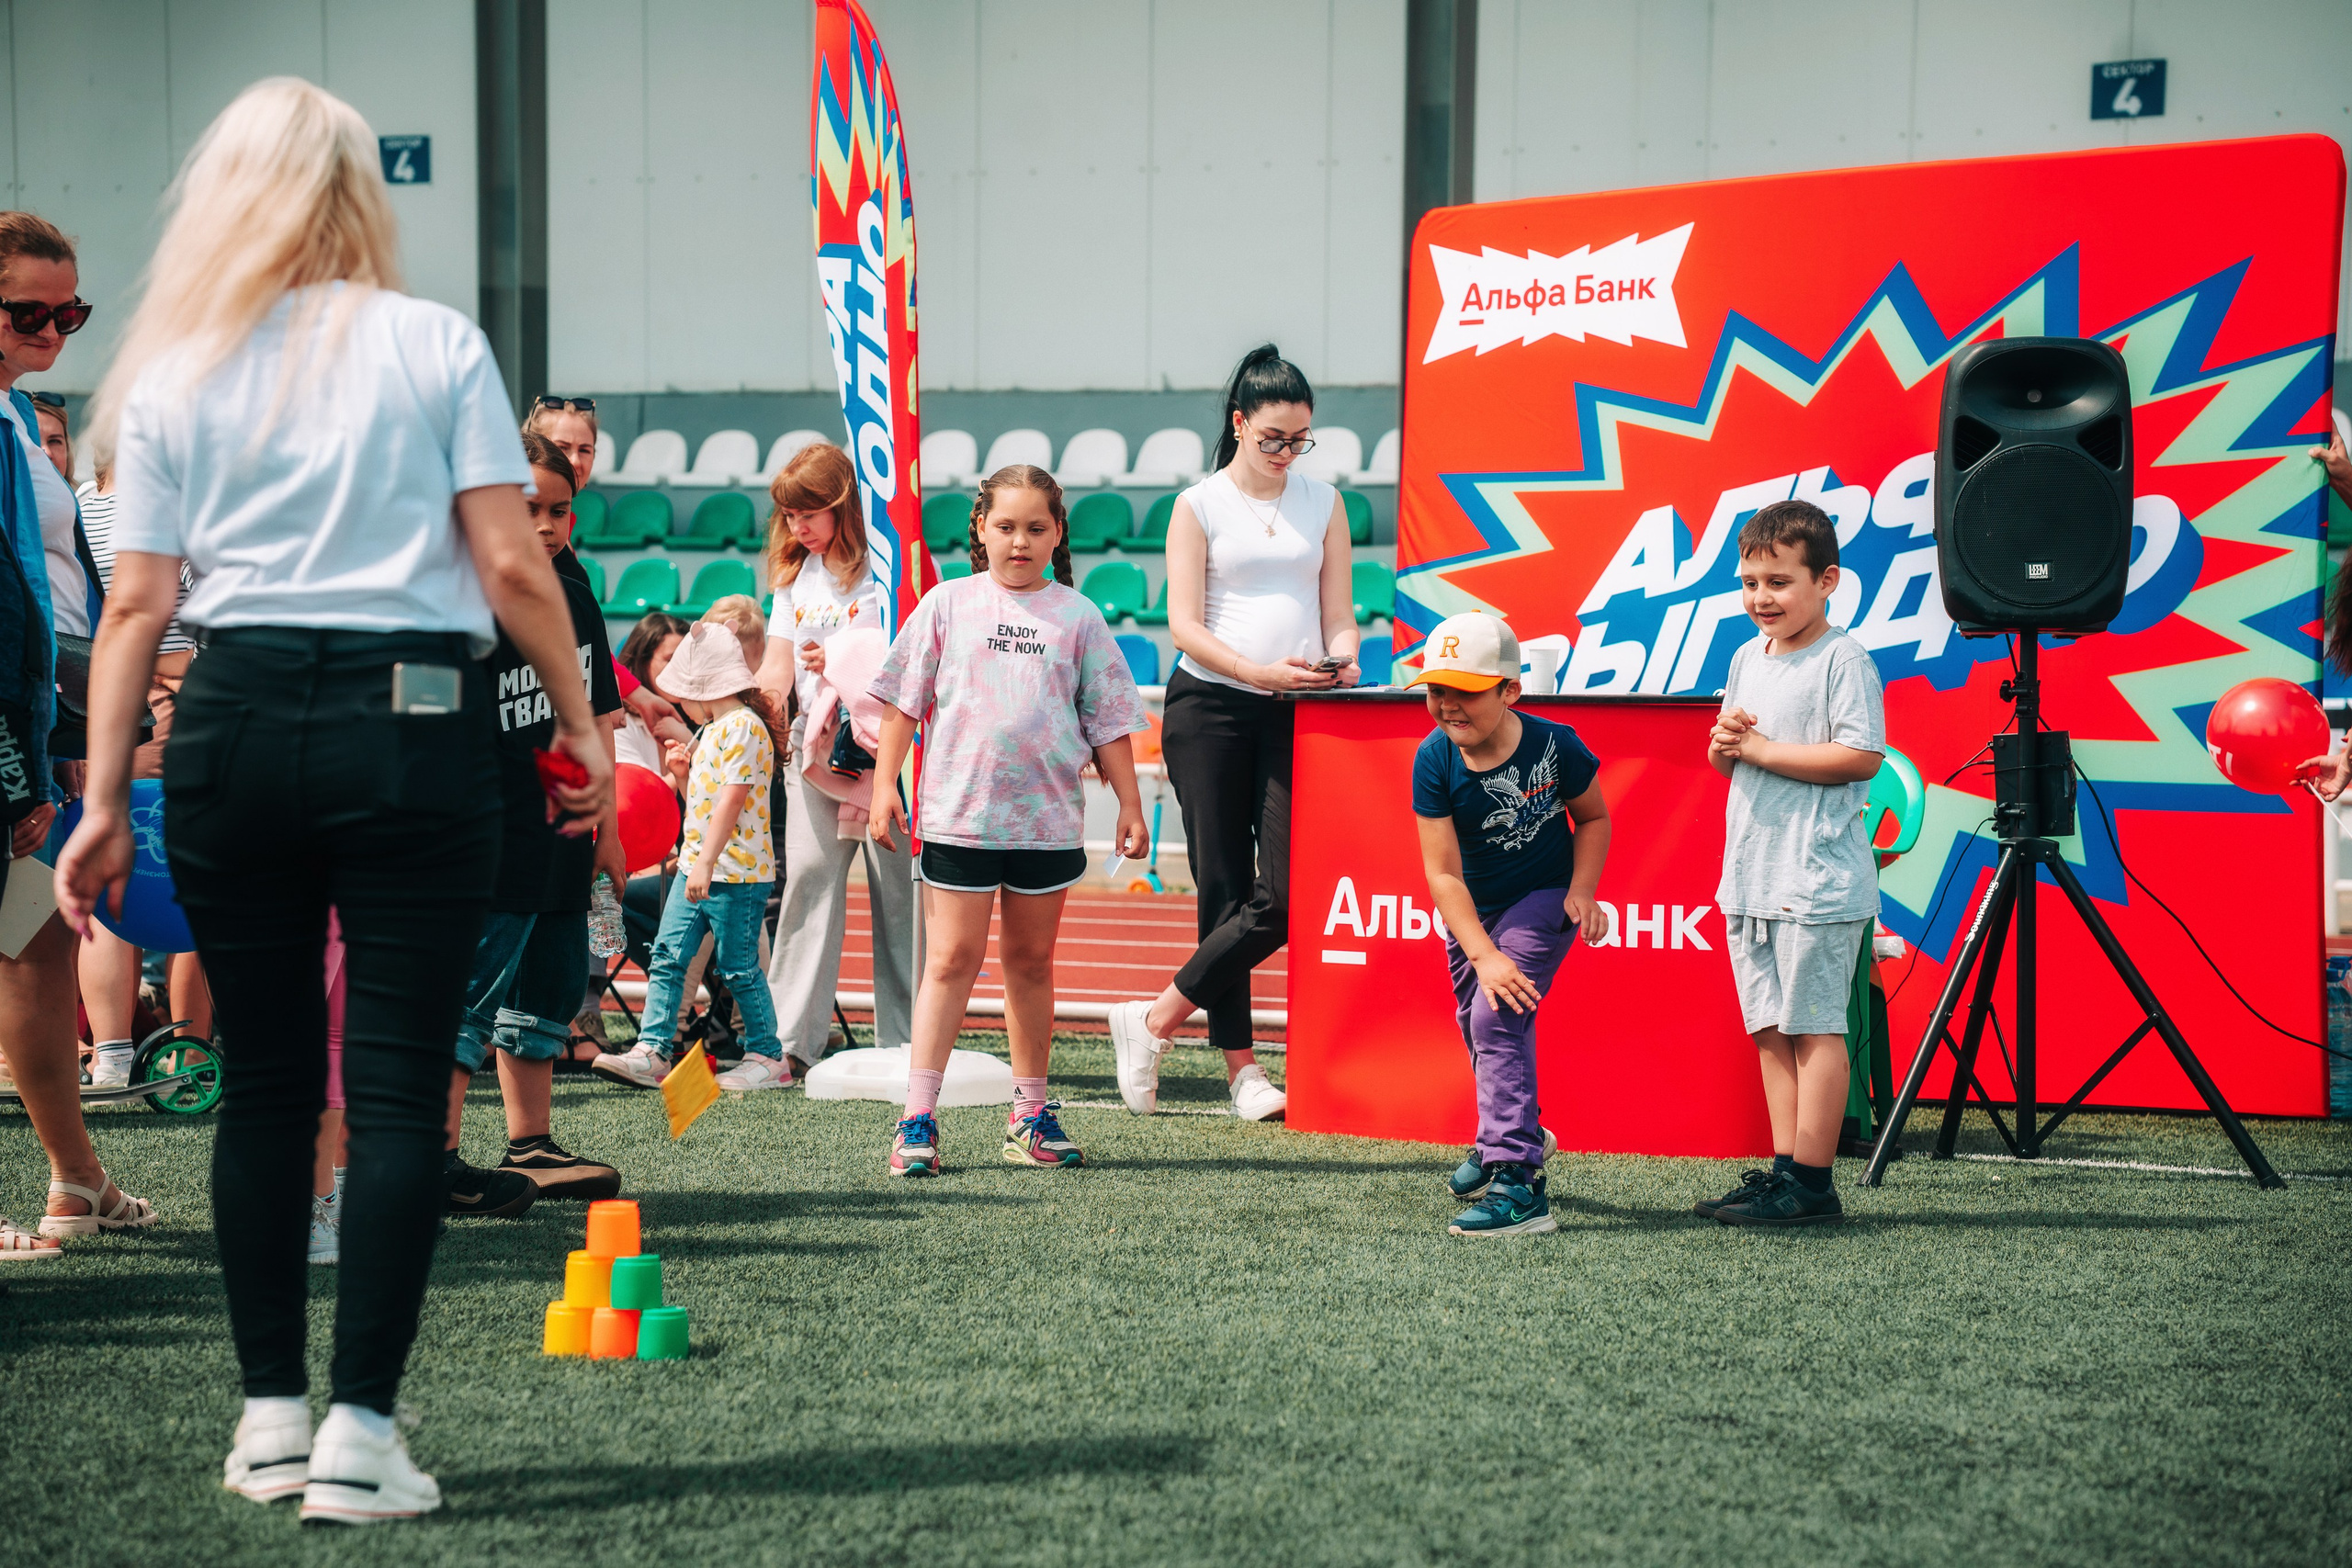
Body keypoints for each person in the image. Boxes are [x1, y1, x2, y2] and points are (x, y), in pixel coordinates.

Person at [56, 79, 609, 1523]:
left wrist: (105, 794)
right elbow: (511, 564)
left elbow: (135, 607)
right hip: (410, 722)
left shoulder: (173, 366)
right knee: (398, 1082)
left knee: (267, 1083)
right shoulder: (434, 343)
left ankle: (268, 1422)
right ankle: (362, 1428)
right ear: (363, 193)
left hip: (233, 717)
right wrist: (580, 722)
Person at [866, 464, 1149, 1177]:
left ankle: (1029, 1118)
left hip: (1046, 825)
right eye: (1005, 526)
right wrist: (883, 787)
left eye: (1035, 527)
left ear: (1057, 535)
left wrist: (1131, 801)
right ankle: (917, 1119)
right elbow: (903, 703)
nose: (1019, 541)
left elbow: (1110, 719)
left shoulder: (1078, 617)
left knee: (1030, 963)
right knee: (949, 962)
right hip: (960, 819)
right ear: (980, 530)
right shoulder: (946, 604)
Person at [1107, 344, 1361, 1121]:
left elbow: (1339, 613)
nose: (1287, 452)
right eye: (1274, 437)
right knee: (1222, 887)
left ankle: (1153, 1018)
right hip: (1210, 709)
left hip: (1294, 708)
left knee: (1283, 895)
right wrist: (1257, 670)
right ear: (1240, 422)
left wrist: (1342, 657)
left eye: (1300, 439)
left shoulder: (1325, 501)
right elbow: (1184, 625)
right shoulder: (1199, 504)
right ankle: (1243, 1071)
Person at [0, 210, 147, 1263]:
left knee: (37, 946)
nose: (55, 332)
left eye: (71, 313)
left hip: (34, 717)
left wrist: (61, 728)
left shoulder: (16, 416)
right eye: (29, 313)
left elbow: (47, 589)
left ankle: (76, 1179)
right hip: (9, 727)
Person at [441, 432, 627, 1215]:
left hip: (561, 829)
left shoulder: (575, 597)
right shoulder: (461, 604)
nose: (546, 526)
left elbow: (590, 715)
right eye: (526, 509)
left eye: (559, 510)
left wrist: (605, 825)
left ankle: (532, 1143)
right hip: (489, 831)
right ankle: (434, 1159)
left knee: (546, 987)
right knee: (468, 995)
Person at [1693, 499, 1883, 1228]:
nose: (1761, 597)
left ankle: (1813, 1181)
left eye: (1778, 581)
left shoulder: (1843, 658)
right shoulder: (1748, 657)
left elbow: (1861, 755)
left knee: (1815, 1028)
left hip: (1816, 880)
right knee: (1770, 1027)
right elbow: (1732, 762)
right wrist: (1727, 744)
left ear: (1826, 580)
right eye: (1750, 583)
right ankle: (1783, 1172)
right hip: (1752, 875)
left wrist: (1762, 748)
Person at [1408, 613, 1611, 1237]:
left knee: (1496, 1015)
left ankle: (1519, 1182)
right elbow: (1443, 874)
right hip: (1474, 909)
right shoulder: (1433, 758)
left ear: (1510, 690)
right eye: (1436, 690)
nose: (1447, 705)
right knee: (1475, 1020)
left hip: (1544, 897)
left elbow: (1593, 818)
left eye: (1466, 691)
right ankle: (1518, 1129)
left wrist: (1582, 891)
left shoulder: (1556, 744)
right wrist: (1483, 952)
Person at [756, 441, 914, 1073]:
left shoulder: (889, 565)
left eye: (809, 513)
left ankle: (909, 1045)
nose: (797, 527)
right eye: (790, 516)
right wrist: (756, 712)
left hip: (889, 750)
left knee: (899, 898)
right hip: (817, 749)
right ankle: (787, 1045)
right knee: (807, 882)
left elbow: (907, 649)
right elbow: (777, 665)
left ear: (843, 504)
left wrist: (844, 656)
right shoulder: (794, 576)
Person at [593, 620, 786, 1089]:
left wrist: (703, 861)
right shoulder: (716, 729)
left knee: (738, 967)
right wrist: (683, 775)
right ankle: (654, 1049)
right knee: (667, 954)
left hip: (734, 874)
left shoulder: (743, 727)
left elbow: (733, 801)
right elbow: (706, 803)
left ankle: (768, 1055)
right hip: (703, 867)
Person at [74, 442, 206, 1089]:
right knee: (196, 886)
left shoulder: (77, 505)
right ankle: (189, 1053)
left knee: (113, 887)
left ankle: (113, 1055)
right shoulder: (180, 502)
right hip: (182, 706)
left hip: (100, 705)